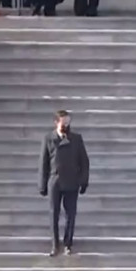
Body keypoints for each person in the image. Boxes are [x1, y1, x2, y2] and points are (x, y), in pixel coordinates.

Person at [39, 110, 90, 257]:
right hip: (55, 181)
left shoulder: (76, 139)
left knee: (71, 214)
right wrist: (42, 184)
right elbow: (43, 163)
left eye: (68, 122)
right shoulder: (49, 139)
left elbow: (84, 162)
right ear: (56, 123)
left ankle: (68, 243)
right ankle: (55, 245)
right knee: (54, 213)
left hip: (72, 182)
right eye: (64, 122)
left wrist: (83, 181)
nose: (66, 125)